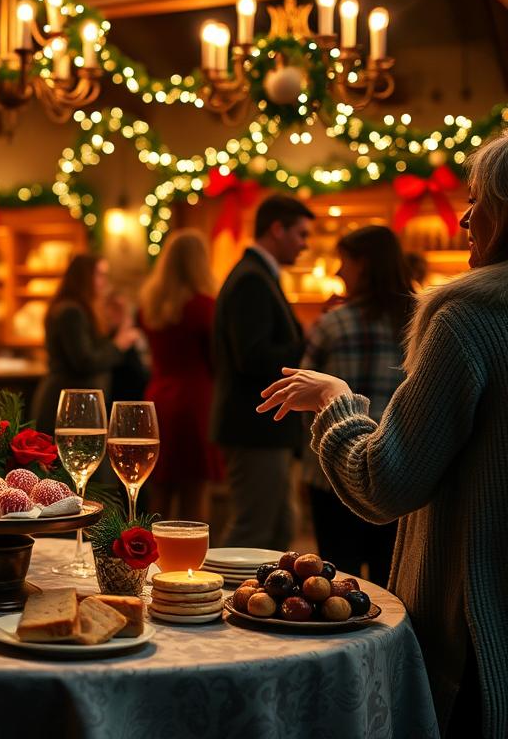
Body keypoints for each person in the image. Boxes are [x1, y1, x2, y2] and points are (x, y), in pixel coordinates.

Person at [257, 132, 508, 739]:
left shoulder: (468, 315)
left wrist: (334, 401)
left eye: (479, 199)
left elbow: (385, 481)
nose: (464, 216)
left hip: (475, 632)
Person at [300, 225, 413, 587]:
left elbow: (302, 396)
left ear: (362, 264)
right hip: (398, 471)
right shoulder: (423, 322)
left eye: (343, 262)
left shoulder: (332, 325)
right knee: (390, 584)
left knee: (335, 583)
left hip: (331, 474)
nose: (337, 272)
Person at [210, 195, 312, 549]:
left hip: (264, 428)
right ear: (276, 229)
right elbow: (252, 357)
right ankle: (212, 601)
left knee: (279, 531)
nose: (305, 244)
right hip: (254, 427)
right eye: (300, 234)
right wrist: (306, 341)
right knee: (251, 532)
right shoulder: (251, 279)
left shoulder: (258, 274)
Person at [138, 230, 221, 522]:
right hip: (196, 399)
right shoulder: (204, 306)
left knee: (159, 485)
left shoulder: (150, 305)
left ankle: (149, 554)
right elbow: (216, 360)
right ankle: (190, 558)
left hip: (159, 397)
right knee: (195, 488)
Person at [31, 255, 139, 434]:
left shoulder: (79, 309)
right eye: (100, 275)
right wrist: (118, 345)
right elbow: (85, 361)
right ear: (84, 277)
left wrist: (118, 325)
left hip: (77, 404)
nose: (104, 282)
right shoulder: (71, 311)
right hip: (69, 405)